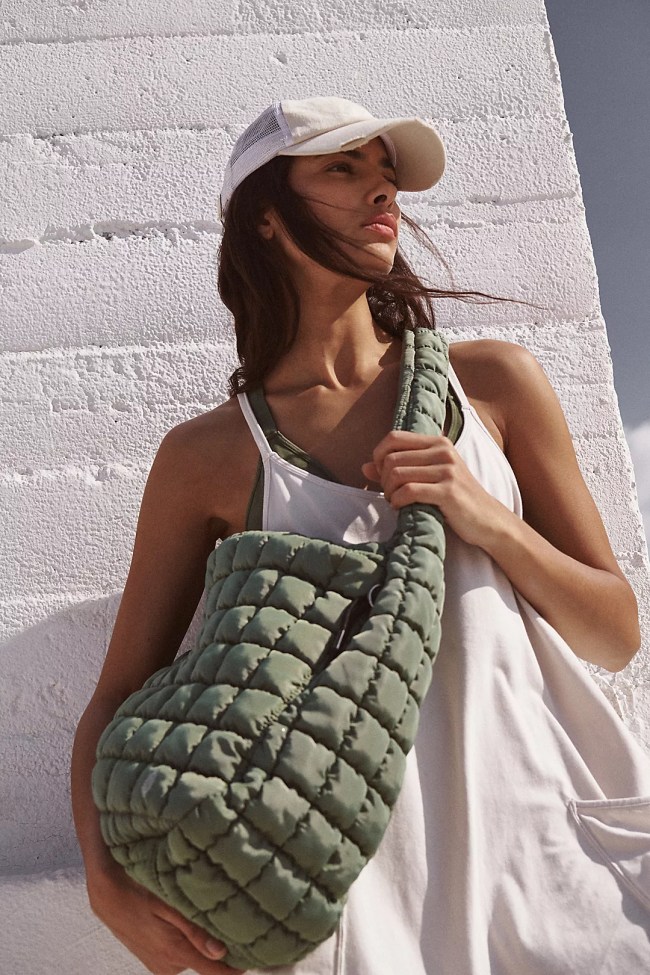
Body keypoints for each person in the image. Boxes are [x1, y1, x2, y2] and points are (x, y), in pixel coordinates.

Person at [71, 96, 650, 975]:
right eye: (343, 169)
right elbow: (116, 695)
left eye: (386, 174)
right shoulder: (209, 454)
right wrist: (105, 883)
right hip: (359, 913)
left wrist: (484, 516)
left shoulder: (492, 383)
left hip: (552, 866)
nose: (382, 192)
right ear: (264, 217)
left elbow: (615, 633)